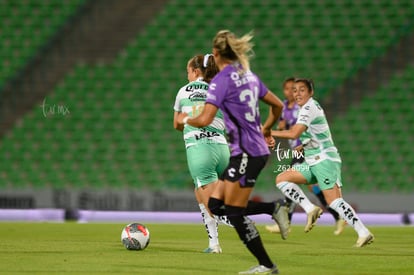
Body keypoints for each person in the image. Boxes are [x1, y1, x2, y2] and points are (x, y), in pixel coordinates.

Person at [177, 30, 288, 275]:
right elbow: (278, 105)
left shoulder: (221, 81)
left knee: (234, 212)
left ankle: (268, 263)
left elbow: (205, 119)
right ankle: (273, 210)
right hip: (245, 150)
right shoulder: (248, 76)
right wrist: (267, 130)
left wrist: (185, 117)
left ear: (216, 54)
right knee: (216, 205)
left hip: (246, 151)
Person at [272, 78, 374, 247]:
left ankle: (363, 232)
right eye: (295, 90)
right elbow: (315, 133)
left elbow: (294, 133)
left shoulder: (309, 107)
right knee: (282, 179)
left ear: (311, 92)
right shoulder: (306, 108)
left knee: (334, 201)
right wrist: (304, 146)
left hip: (324, 159)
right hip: (313, 159)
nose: (297, 93)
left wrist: (267, 132)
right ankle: (310, 209)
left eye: (302, 90)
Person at [265, 77, 346, 236]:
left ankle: (286, 222)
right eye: (288, 89)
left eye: (293, 89)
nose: (290, 92)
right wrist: (280, 127)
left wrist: (270, 131)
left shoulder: (302, 106)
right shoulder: (285, 106)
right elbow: (283, 125)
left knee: (286, 180)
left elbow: (299, 128)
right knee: (314, 188)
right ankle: (338, 215)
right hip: (296, 149)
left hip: (304, 149)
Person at [173, 53, 231, 253]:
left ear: (196, 71)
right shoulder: (220, 90)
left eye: (188, 71)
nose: (187, 75)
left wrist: (188, 122)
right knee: (200, 193)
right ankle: (213, 244)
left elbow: (177, 124)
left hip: (199, 148)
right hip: (222, 148)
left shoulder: (183, 91)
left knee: (214, 204)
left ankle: (237, 217)